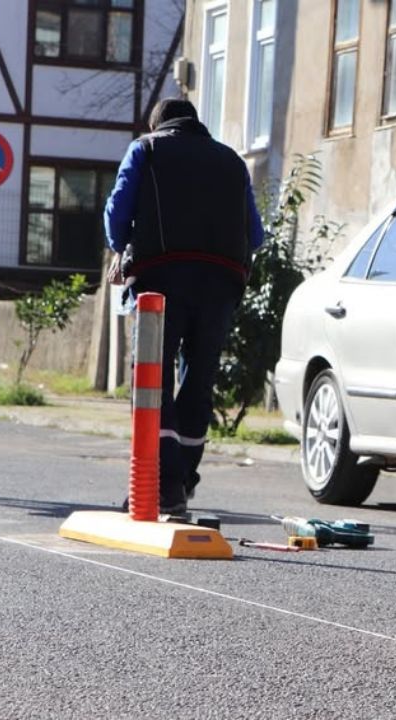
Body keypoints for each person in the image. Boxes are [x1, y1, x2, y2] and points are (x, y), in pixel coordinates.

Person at [104, 98, 264, 515]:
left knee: (151, 378)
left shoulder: (147, 148)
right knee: (198, 380)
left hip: (160, 278)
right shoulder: (231, 161)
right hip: (221, 284)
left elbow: (117, 210)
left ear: (157, 124)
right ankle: (183, 480)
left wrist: (120, 247)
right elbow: (257, 233)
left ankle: (165, 482)